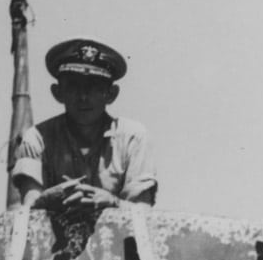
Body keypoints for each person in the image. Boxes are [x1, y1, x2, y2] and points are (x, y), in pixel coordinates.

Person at [12, 39, 157, 210]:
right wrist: (47, 201)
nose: (83, 97)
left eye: (94, 87)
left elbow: (143, 210)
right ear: (58, 93)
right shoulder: (37, 138)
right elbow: (28, 209)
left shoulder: (133, 137)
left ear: (111, 94)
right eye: (73, 86)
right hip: (53, 236)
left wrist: (112, 203)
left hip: (117, 236)